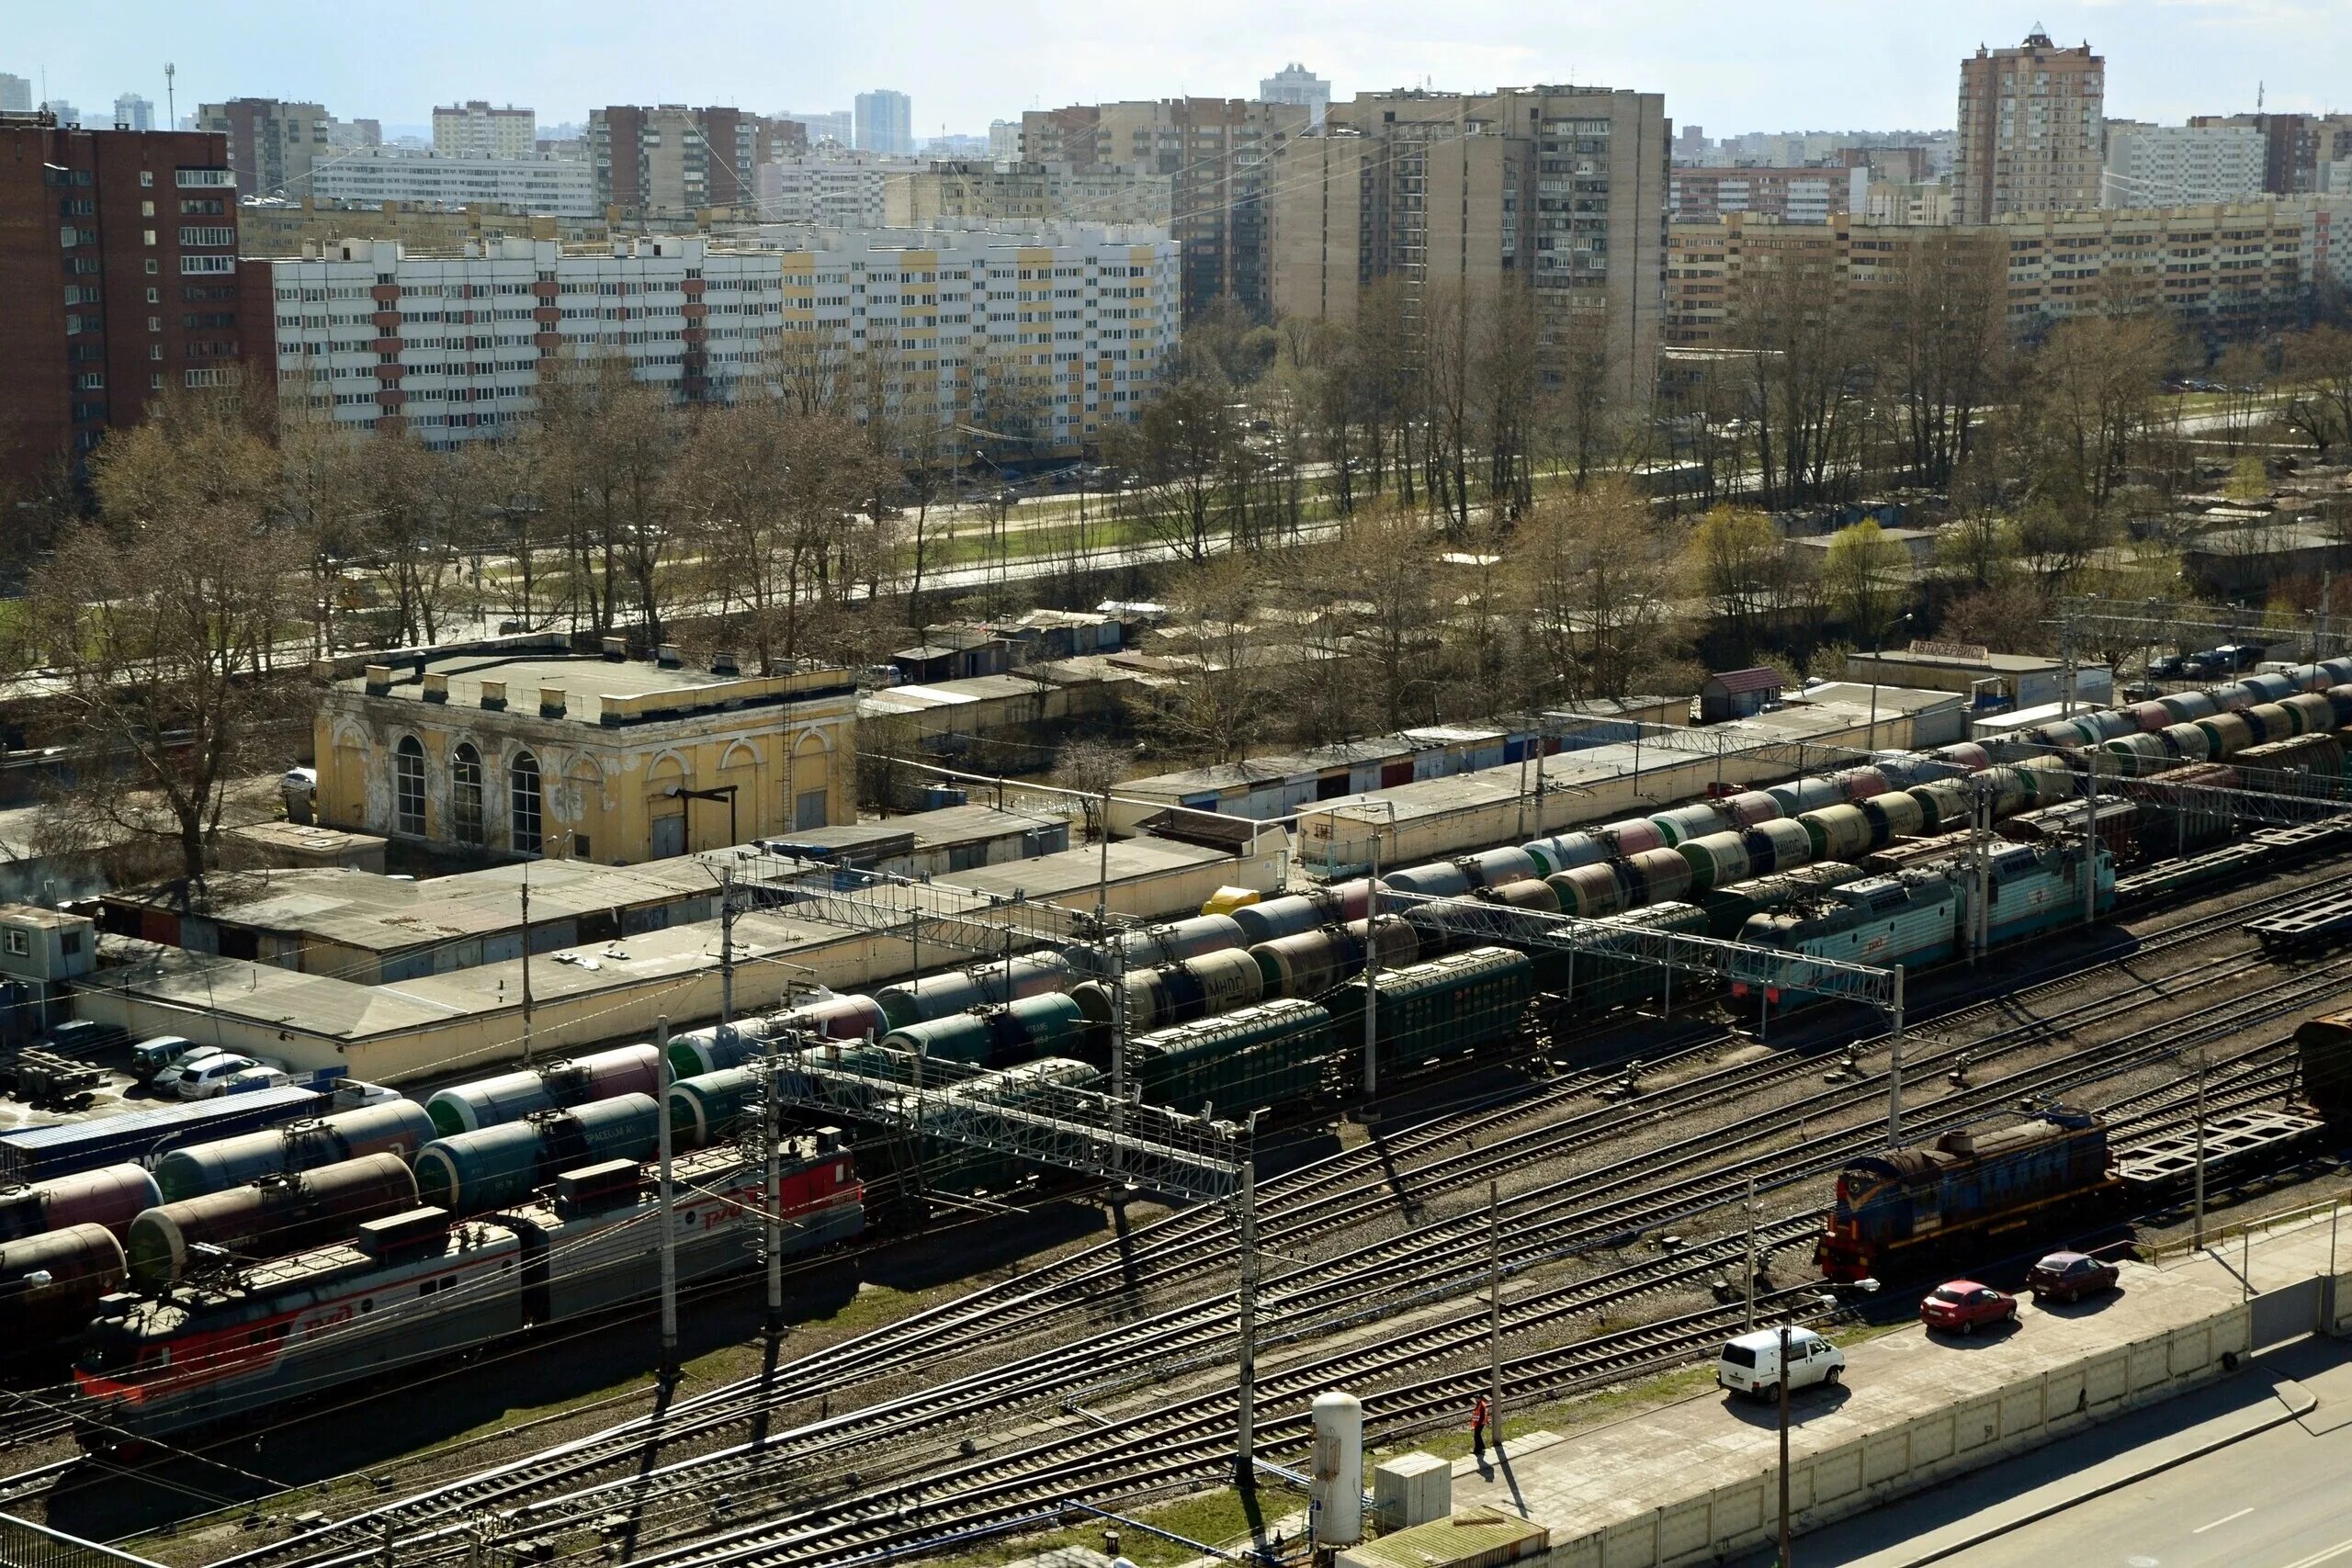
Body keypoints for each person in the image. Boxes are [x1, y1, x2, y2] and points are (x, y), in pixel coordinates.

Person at [1471, 1394, 1490, 1458]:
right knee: (1477, 1435)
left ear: (1480, 1398)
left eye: (1477, 1398)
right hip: (1480, 1423)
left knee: (1476, 1436)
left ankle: (1478, 1450)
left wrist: (1478, 1423)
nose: (1476, 1400)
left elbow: (1482, 1416)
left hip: (1480, 1423)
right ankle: (1481, 1448)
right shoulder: (1480, 1404)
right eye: (1475, 1398)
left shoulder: (1481, 1405)